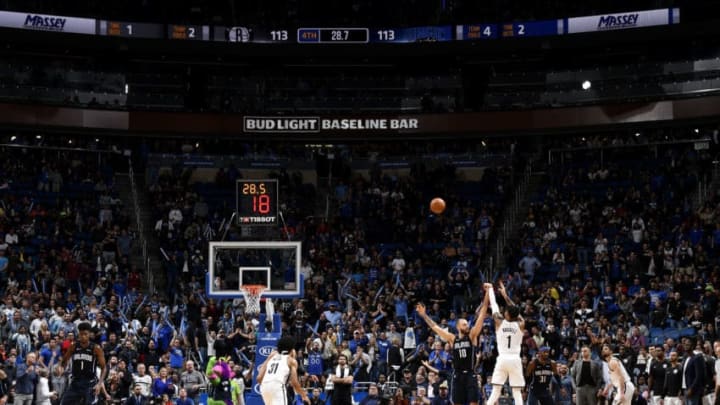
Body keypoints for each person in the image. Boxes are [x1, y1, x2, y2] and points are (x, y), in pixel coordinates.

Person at [416, 282, 489, 405]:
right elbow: (435, 328)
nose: (467, 326)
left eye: (467, 324)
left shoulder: (472, 336)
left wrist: (487, 294)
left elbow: (482, 315)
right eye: (464, 324)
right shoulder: (452, 338)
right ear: (458, 326)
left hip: (470, 374)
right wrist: (424, 315)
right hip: (457, 375)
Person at [485, 281, 525, 405]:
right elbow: (517, 313)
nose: (504, 311)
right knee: (517, 392)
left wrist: (490, 289)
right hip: (515, 359)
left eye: (506, 311)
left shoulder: (499, 321)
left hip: (502, 358)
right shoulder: (521, 324)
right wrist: (506, 297)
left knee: (496, 390)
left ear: (507, 314)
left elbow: (494, 305)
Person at [257, 336, 309, 405]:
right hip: (278, 386)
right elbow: (294, 382)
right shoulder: (291, 361)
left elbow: (259, 378)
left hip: (264, 386)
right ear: (292, 349)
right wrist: (304, 395)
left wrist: (268, 385)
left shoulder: (272, 355)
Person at [682, 340, 706, 405]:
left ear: (692, 346)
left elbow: (698, 376)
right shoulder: (685, 358)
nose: (685, 346)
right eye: (685, 344)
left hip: (693, 390)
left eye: (688, 345)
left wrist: (691, 389)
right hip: (685, 388)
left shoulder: (697, 357)